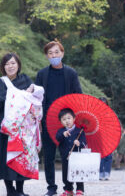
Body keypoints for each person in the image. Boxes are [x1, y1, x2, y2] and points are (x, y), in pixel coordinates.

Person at [0, 52, 44, 196]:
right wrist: (22, 96)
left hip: (23, 126)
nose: (10, 66)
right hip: (6, 125)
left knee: (21, 155)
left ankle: (20, 190)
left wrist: (23, 96)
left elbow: (34, 100)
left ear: (18, 65)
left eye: (13, 63)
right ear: (3, 67)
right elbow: (0, 102)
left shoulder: (26, 79)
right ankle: (10, 190)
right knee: (6, 156)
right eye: (7, 64)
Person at [35, 40, 82, 196]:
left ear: (62, 53)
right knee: (48, 156)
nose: (53, 55)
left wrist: (75, 120)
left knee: (68, 154)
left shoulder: (71, 73)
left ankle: (69, 188)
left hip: (67, 120)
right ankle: (51, 187)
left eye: (56, 52)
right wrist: (38, 120)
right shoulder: (42, 74)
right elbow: (36, 99)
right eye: (50, 53)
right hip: (47, 119)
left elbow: (78, 96)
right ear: (46, 56)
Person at [56, 108, 86, 196]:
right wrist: (63, 134)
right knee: (66, 173)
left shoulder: (79, 131)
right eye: (64, 119)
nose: (67, 121)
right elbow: (57, 138)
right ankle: (68, 189)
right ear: (61, 121)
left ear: (74, 118)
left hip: (77, 156)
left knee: (78, 172)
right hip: (66, 156)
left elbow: (84, 143)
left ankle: (80, 189)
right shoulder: (61, 131)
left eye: (69, 118)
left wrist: (79, 143)